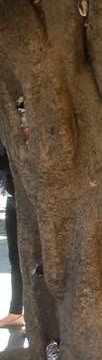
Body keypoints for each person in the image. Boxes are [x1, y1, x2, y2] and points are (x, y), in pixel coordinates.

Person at [0, 140, 23, 328]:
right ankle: (16, 311)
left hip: (30, 197)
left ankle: (37, 316)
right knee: (15, 257)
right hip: (12, 196)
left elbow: (19, 159)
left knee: (35, 259)